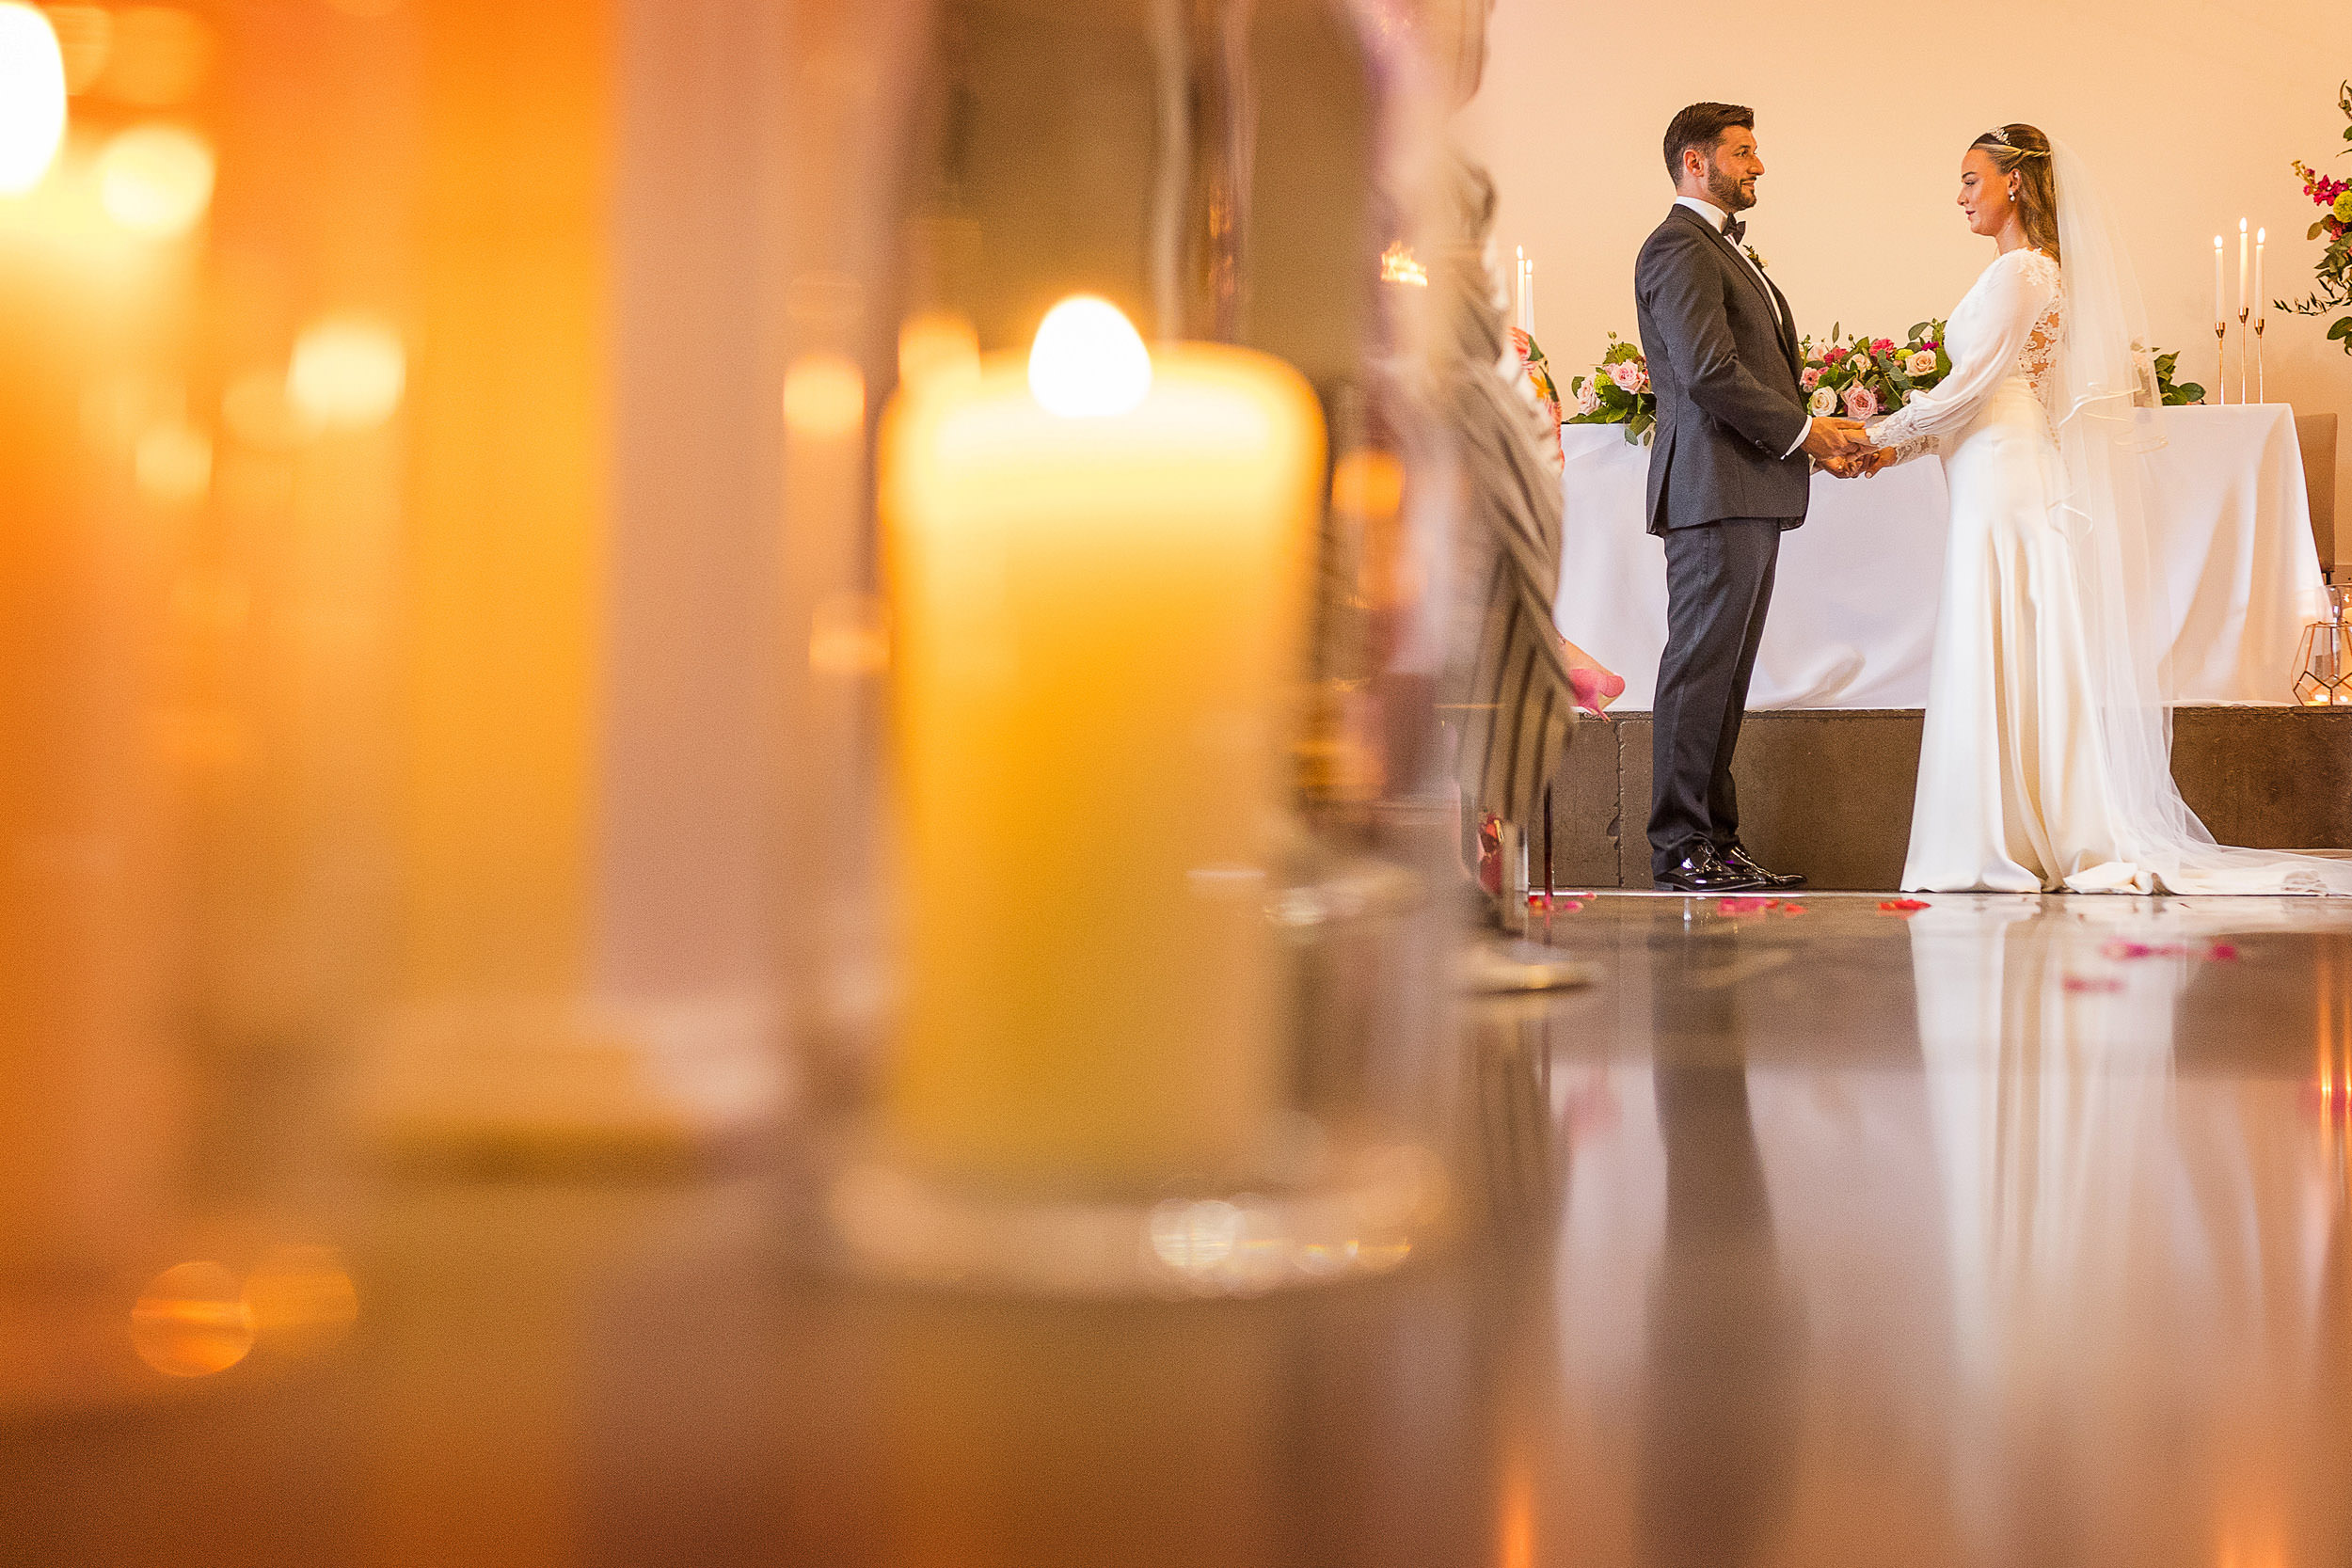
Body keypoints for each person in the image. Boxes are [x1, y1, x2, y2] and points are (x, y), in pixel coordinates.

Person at [1854, 125, 2352, 894]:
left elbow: (1975, 387)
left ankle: (2009, 836)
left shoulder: (2024, 271)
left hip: (2006, 471)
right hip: (1991, 462)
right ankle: (2009, 828)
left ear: (2015, 183)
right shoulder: (2022, 273)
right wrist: (1892, 445)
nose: (1959, 197)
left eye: (1970, 179)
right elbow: (1974, 396)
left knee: (2012, 631)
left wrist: (1876, 439)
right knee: (2008, 634)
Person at [1634, 103, 1873, 894]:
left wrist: (1811, 443)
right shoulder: (1678, 246)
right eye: (1743, 152)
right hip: (1712, 487)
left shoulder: (1722, 252)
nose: (1758, 165)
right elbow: (1707, 372)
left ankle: (1715, 840)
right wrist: (1808, 434)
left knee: (1726, 676)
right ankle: (1679, 847)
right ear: (1695, 162)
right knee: (1701, 669)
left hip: (1743, 485)